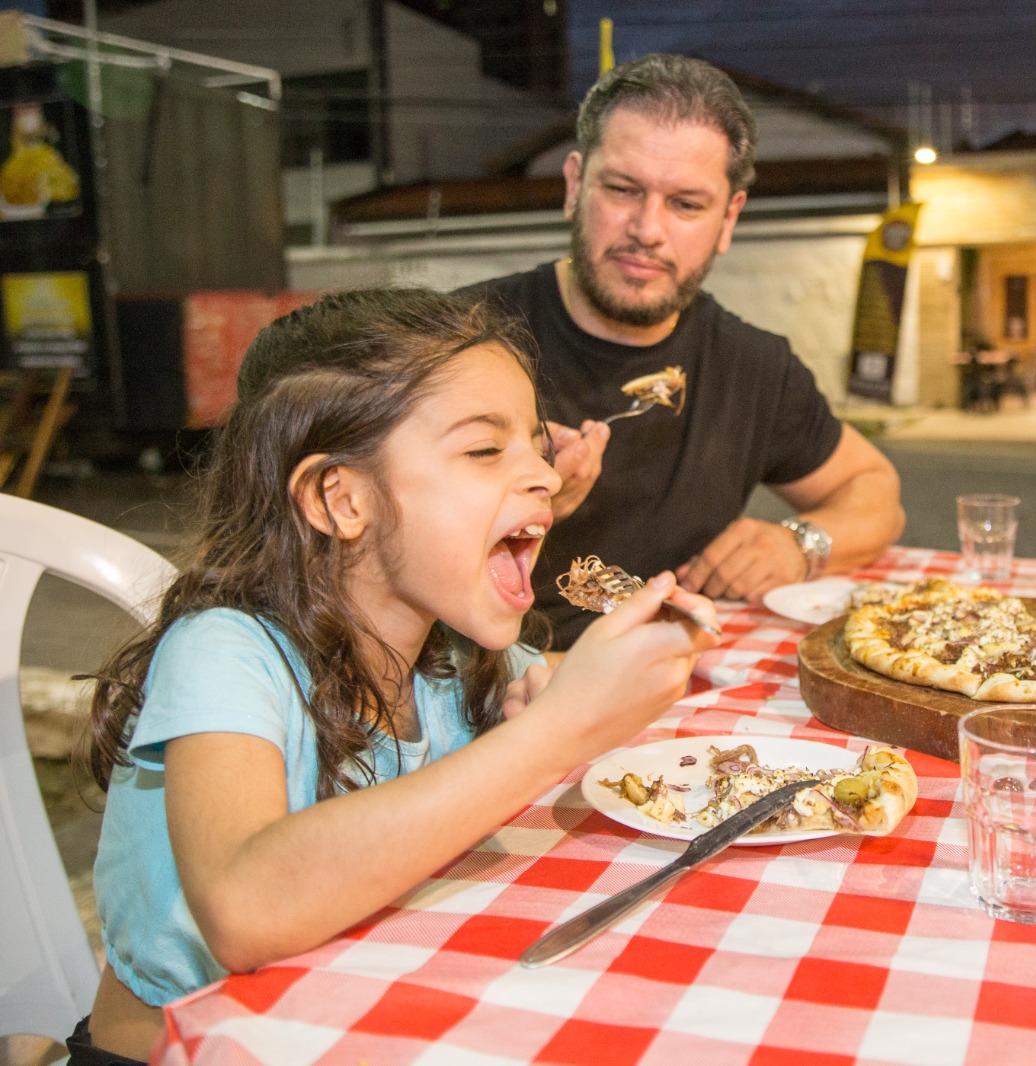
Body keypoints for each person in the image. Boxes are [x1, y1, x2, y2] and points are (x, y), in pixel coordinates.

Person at [69, 289, 719, 1063]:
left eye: (535, 444)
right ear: (340, 499)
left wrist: (615, 674)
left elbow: (564, 690)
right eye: (485, 450)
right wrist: (552, 735)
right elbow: (243, 910)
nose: (546, 478)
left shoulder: (454, 652)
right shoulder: (226, 651)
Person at [461, 54, 904, 649]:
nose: (648, 229)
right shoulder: (455, 343)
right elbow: (364, 548)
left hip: (683, 683)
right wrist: (525, 510)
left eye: (686, 204)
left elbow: (877, 493)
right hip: (492, 683)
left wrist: (796, 543)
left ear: (729, 218)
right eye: (622, 190)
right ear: (574, 185)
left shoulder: (753, 368)